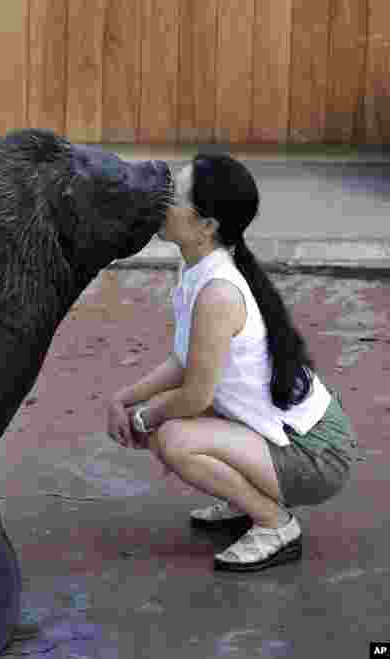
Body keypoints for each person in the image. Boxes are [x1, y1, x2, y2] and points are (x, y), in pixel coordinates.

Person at [105, 154, 361, 572]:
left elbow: (195, 394)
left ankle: (274, 523)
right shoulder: (197, 268)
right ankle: (244, 498)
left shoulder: (218, 292)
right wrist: (123, 398)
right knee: (167, 426)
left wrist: (142, 418)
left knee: (173, 439)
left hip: (316, 453)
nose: (160, 199)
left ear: (206, 226)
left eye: (174, 196)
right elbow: (183, 359)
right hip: (286, 436)